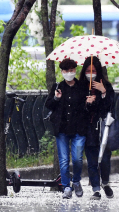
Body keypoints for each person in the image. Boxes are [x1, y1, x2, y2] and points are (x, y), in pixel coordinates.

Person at [44, 58, 96, 199]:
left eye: (71, 70)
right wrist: (56, 98)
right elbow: (48, 105)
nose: (69, 73)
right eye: (66, 70)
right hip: (62, 129)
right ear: (62, 72)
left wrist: (89, 102)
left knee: (78, 158)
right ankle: (66, 187)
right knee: (64, 160)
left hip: (79, 129)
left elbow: (89, 110)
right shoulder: (57, 86)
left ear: (75, 70)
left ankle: (77, 181)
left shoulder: (83, 88)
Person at [81, 57, 116, 200]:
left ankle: (105, 183)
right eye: (88, 71)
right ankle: (96, 189)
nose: (90, 73)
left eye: (93, 71)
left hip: (102, 129)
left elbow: (109, 108)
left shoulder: (106, 86)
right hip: (88, 129)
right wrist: (86, 102)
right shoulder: (81, 87)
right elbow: (78, 109)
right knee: (91, 160)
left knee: (105, 158)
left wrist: (103, 93)